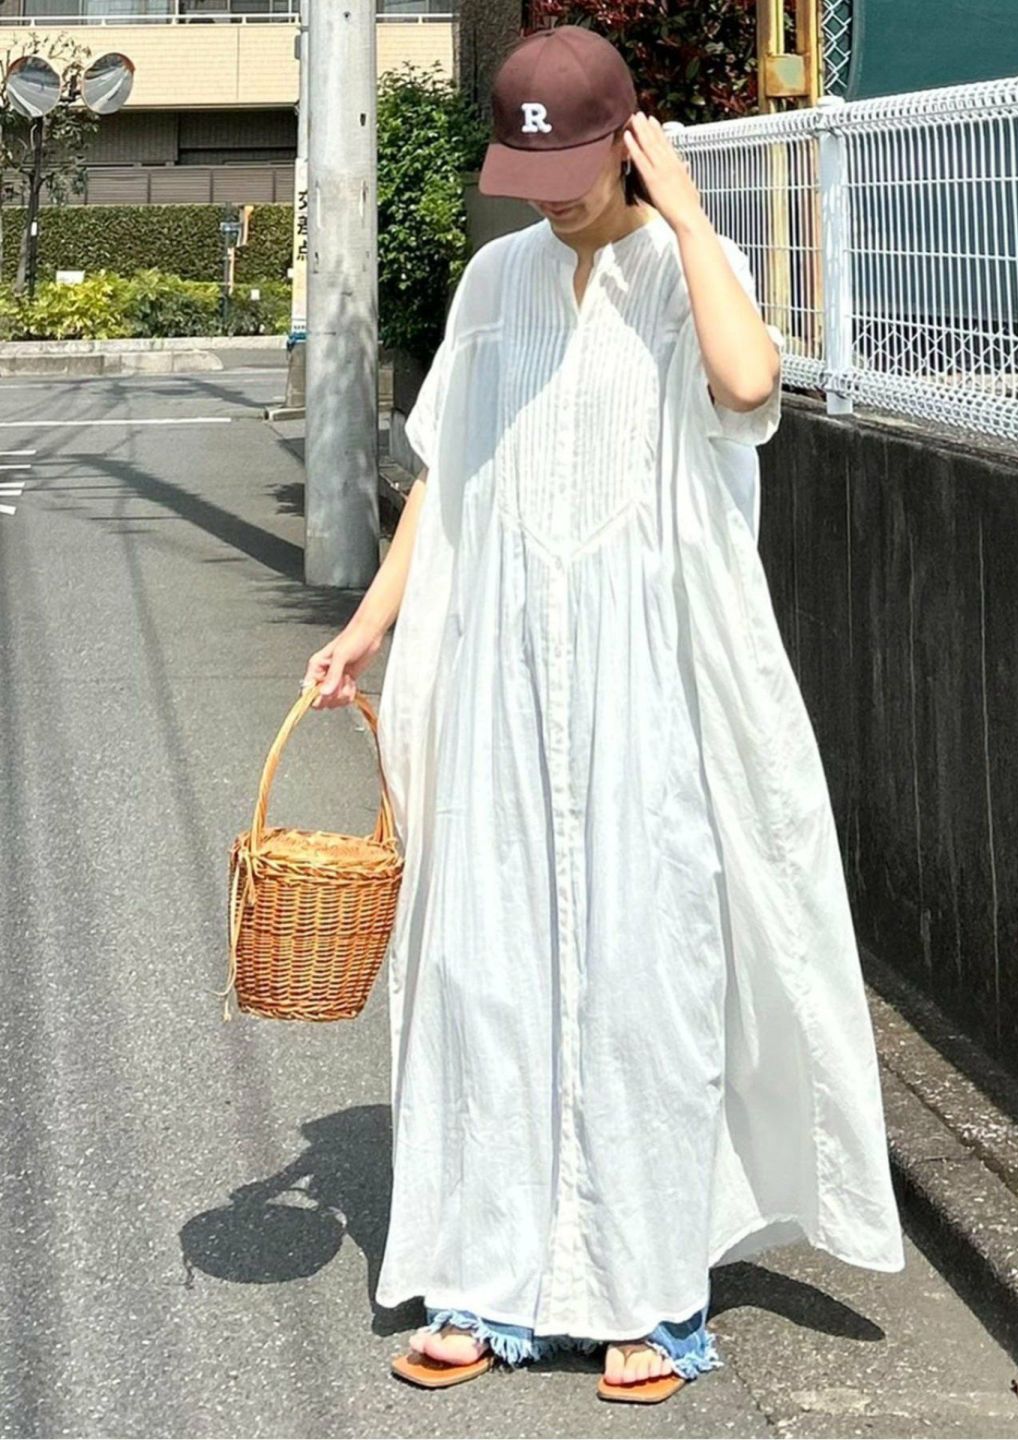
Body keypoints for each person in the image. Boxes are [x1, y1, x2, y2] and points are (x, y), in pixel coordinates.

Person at [303, 24, 905, 1407]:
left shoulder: (693, 268)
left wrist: (687, 219)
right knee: (485, 970)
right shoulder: (495, 282)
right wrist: (368, 627)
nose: (554, 199)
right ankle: (479, 1278)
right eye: (532, 173)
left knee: (647, 976)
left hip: (649, 680)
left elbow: (748, 387)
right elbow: (447, 477)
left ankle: (648, 1292)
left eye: (574, 169)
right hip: (501, 669)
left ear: (625, 143)